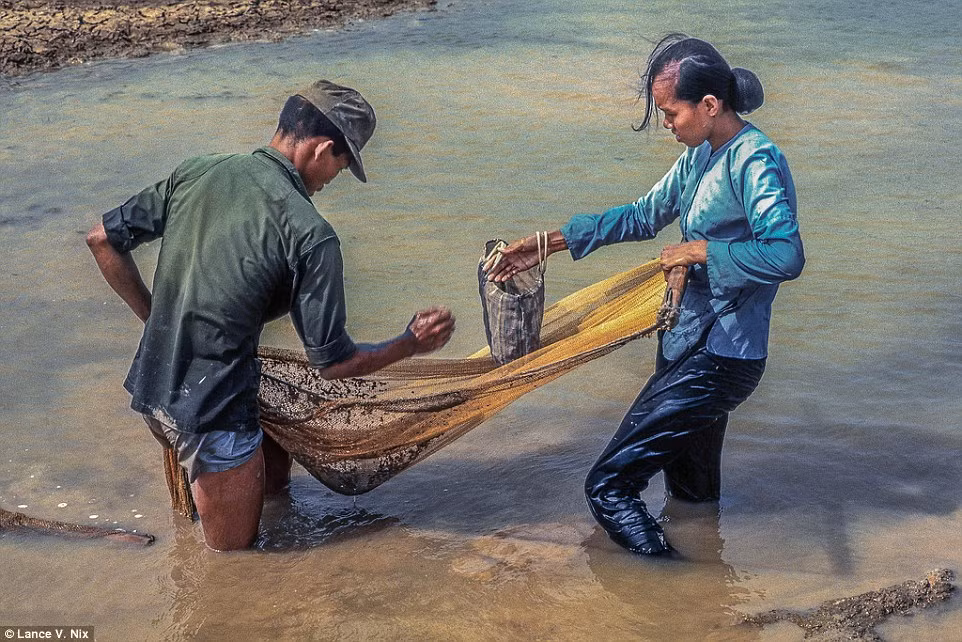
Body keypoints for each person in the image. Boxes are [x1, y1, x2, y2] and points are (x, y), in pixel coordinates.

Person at [86, 79, 455, 551]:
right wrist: (410, 343)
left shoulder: (198, 171)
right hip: (214, 412)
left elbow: (102, 239)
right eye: (340, 168)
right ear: (322, 149)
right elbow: (334, 364)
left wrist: (158, 320)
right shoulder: (310, 234)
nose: (329, 182)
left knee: (273, 476)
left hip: (153, 389)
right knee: (234, 571)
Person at [485, 34, 804, 555]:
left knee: (608, 487)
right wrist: (548, 244)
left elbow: (785, 254)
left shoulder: (754, 160)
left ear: (709, 105)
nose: (665, 123)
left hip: (721, 358)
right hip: (683, 347)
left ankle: (665, 594)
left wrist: (699, 252)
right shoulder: (700, 157)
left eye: (670, 112)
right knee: (693, 499)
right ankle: (705, 607)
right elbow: (640, 215)